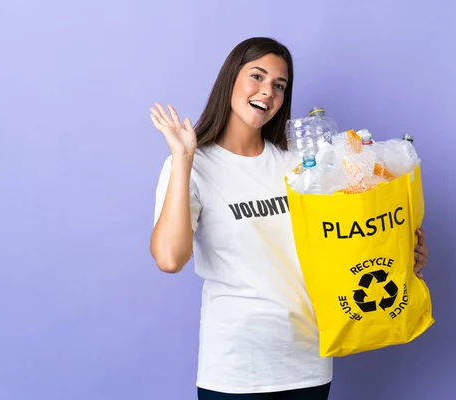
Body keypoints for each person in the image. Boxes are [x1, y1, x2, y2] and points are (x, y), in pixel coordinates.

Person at [149, 37, 429, 400]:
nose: (267, 92)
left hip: (307, 363)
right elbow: (170, 259)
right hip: (236, 369)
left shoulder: (302, 161)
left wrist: (401, 257)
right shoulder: (191, 166)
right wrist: (184, 158)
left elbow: (345, 237)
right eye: (257, 76)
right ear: (230, 80)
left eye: (279, 85)